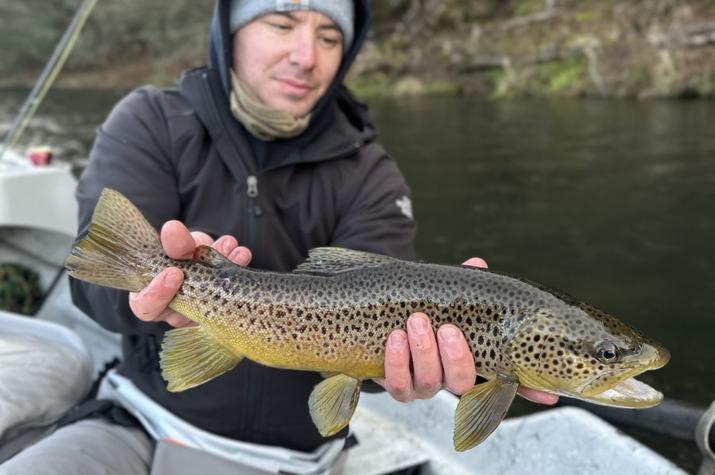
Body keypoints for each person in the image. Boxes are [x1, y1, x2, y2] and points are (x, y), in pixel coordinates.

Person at [0, 0, 556, 473]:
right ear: (231, 31)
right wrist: (156, 292)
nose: (306, 56)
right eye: (281, 23)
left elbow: (386, 327)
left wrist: (405, 372)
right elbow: (92, 285)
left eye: (330, 35)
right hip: (138, 423)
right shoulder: (150, 122)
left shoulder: (372, 174)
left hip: (298, 460)